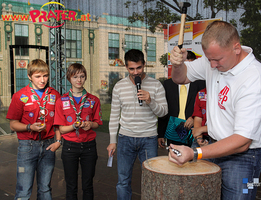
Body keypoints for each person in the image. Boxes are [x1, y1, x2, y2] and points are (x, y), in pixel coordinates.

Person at [169, 21, 261, 200]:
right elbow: (181, 78)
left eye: (217, 60)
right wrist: (178, 65)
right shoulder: (214, 60)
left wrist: (194, 153)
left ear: (236, 48)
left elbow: (242, 142)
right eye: (209, 59)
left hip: (243, 157)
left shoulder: (254, 78)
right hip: (212, 145)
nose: (211, 66)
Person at [106, 49, 168, 200]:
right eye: (132, 68)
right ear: (126, 67)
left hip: (149, 139)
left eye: (139, 68)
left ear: (144, 65)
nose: (136, 72)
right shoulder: (119, 87)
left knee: (152, 180)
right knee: (123, 181)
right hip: (125, 138)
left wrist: (150, 101)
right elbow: (114, 116)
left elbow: (163, 112)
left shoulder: (156, 85)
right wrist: (112, 141)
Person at [6, 59, 61, 200]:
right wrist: (29, 127)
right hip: (27, 147)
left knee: (45, 189)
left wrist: (58, 142)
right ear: (29, 76)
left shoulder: (54, 95)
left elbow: (59, 122)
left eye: (45, 76)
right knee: (23, 191)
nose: (42, 80)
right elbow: (13, 124)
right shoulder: (20, 96)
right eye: (38, 76)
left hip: (49, 146)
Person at [54, 63, 102, 200]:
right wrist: (74, 126)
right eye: (75, 77)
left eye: (82, 76)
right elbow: (61, 129)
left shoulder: (93, 100)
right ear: (69, 78)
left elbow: (97, 123)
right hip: (70, 147)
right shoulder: (61, 101)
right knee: (71, 185)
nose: (79, 80)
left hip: (89, 147)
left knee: (88, 185)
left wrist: (90, 124)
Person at [158, 51, 205, 148]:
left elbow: (205, 108)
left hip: (193, 132)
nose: (187, 69)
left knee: (193, 162)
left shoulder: (201, 84)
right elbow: (164, 111)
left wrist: (194, 118)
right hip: (173, 131)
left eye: (190, 65)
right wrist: (161, 134)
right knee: (174, 160)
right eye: (184, 65)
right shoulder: (168, 84)